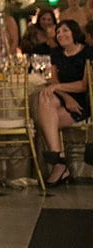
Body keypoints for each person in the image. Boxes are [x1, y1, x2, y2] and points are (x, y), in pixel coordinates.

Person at [36, 19, 93, 186]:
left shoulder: (88, 52)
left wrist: (59, 88)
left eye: (65, 31)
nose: (61, 34)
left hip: (82, 100)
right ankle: (58, 158)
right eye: (58, 32)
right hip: (64, 97)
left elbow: (84, 85)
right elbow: (54, 83)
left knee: (44, 121)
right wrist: (66, 97)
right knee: (45, 97)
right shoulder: (56, 54)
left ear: (74, 32)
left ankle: (59, 164)